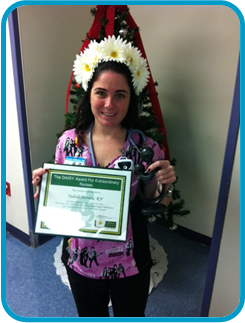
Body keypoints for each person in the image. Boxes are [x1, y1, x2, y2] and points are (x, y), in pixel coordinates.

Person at [32, 35, 176, 317]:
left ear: (129, 98)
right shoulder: (68, 142)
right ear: (89, 94)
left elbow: (155, 201)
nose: (110, 104)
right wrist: (46, 186)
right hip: (80, 259)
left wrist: (163, 185)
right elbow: (60, 200)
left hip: (130, 261)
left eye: (119, 95)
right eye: (101, 92)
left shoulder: (144, 146)